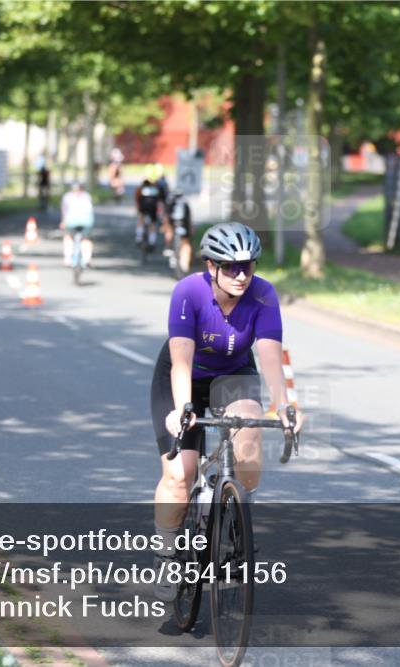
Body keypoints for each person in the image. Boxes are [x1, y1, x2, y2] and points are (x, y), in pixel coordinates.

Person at [150, 222, 303, 602]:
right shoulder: (188, 292)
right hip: (184, 377)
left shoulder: (263, 295)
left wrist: (284, 406)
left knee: (249, 440)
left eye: (247, 266)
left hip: (233, 376)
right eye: (231, 267)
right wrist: (183, 410)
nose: (240, 275)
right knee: (179, 473)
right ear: (210, 266)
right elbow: (181, 362)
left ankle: (236, 522)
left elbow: (270, 356)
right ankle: (166, 554)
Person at [60, 183, 95, 268]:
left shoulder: (67, 197)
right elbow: (91, 211)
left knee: (68, 237)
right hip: (87, 221)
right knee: (86, 239)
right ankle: (87, 259)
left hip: (71, 221)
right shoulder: (87, 196)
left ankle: (68, 258)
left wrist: (63, 221)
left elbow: (64, 210)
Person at [135, 166, 165, 247]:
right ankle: (152, 240)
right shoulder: (158, 187)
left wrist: (137, 207)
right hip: (153, 207)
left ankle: (139, 237)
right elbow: (161, 201)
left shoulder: (142, 186)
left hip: (144, 206)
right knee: (152, 223)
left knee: (141, 219)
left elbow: (137, 197)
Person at [165, 192, 193, 273]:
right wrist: (191, 228)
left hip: (173, 225)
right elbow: (189, 217)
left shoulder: (171, 202)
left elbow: (167, 216)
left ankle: (169, 248)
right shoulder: (185, 203)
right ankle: (185, 265)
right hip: (184, 225)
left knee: (169, 233)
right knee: (186, 244)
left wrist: (166, 226)